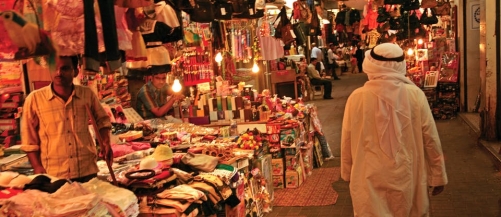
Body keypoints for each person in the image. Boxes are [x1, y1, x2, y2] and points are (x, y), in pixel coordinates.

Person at [341, 43, 448, 216]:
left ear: (370, 64)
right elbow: (431, 138)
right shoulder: (415, 95)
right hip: (408, 177)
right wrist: (438, 175)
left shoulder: (356, 97)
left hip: (367, 178)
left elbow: (346, 139)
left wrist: (347, 173)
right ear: (401, 65)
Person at [21, 56, 113, 183]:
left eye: (65, 68)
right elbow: (29, 140)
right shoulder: (34, 99)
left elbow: (103, 120)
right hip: (53, 174)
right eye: (54, 68)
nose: (59, 73)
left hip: (86, 170)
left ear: (75, 71)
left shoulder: (87, 94)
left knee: (90, 203)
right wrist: (37, 167)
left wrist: (106, 142)